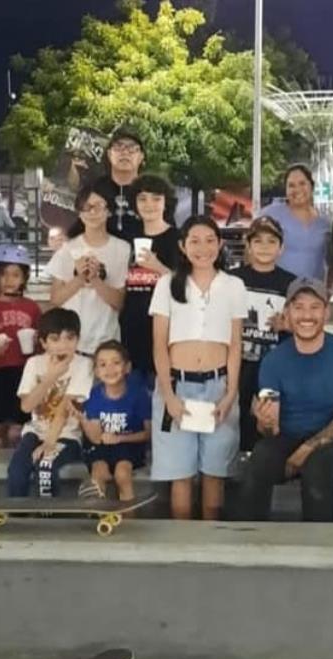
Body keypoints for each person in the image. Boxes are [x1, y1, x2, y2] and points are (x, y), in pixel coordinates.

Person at [235, 278, 333, 521]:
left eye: (315, 307)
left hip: (331, 437)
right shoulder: (274, 360)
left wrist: (304, 451)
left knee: (316, 472)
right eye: (299, 307)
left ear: (326, 313)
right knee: (259, 460)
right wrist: (265, 422)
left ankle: (318, 549)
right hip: (289, 434)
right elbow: (271, 430)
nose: (307, 315)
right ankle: (250, 541)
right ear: (287, 313)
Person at [150, 216, 246, 520]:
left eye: (209, 240)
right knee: (181, 473)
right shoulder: (168, 284)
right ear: (182, 245)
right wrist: (169, 396)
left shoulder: (233, 285)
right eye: (194, 240)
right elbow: (159, 346)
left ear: (219, 243)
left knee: (214, 471)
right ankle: (183, 544)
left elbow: (235, 345)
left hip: (217, 387)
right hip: (178, 386)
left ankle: (210, 542)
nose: (202, 248)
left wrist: (230, 394)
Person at [7, 308, 94, 498]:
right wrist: (50, 377)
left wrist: (49, 442)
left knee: (45, 467)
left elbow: (65, 407)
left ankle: (47, 518)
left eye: (69, 338)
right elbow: (26, 406)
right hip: (35, 431)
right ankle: (16, 516)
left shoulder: (83, 365)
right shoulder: (34, 363)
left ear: (78, 339)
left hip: (67, 435)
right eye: (55, 339)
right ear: (43, 343)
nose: (63, 345)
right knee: (17, 470)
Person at [232, 216, 295, 451]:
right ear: (248, 246)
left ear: (281, 248)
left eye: (271, 241)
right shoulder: (234, 279)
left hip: (273, 361)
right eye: (258, 241)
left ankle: (264, 456)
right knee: (237, 407)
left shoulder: (290, 283)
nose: (265, 247)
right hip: (239, 358)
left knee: (268, 410)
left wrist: (288, 325)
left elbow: (304, 323)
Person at [47, 184, 129, 356]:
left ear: (108, 211)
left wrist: (95, 280)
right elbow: (55, 299)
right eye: (87, 207)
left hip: (107, 344)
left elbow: (119, 302)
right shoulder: (67, 249)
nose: (92, 213)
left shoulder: (122, 249)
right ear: (80, 213)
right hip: (72, 345)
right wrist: (79, 278)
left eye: (98, 206)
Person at [0, 244, 43, 448]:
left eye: (15, 274)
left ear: (24, 278)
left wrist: (35, 345)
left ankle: (16, 473)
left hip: (24, 373)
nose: (9, 280)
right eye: (3, 274)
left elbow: (43, 342)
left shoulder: (31, 307)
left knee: (18, 431)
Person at [120, 173, 179, 383]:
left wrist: (158, 267)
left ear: (166, 203)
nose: (149, 205)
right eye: (142, 198)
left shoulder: (177, 239)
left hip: (164, 329)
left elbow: (186, 283)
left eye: (156, 199)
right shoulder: (127, 236)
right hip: (130, 326)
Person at [80, 340, 152, 501]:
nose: (110, 369)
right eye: (103, 364)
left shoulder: (139, 395)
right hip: (101, 446)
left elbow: (148, 433)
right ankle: (100, 518)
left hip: (129, 445)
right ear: (96, 371)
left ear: (127, 367)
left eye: (116, 363)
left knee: (122, 472)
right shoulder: (93, 395)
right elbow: (96, 438)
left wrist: (120, 438)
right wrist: (83, 421)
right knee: (99, 472)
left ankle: (128, 520)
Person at [68, 128, 146, 241]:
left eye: (132, 148)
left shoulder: (153, 191)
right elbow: (77, 231)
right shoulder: (94, 190)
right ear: (109, 154)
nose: (125, 152)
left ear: (141, 156)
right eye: (118, 147)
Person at [261, 164, 331, 282]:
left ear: (312, 186)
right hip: (277, 291)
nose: (297, 189)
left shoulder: (325, 223)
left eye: (302, 184)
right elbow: (251, 249)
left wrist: (327, 291)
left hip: (311, 294)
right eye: (291, 185)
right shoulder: (271, 214)